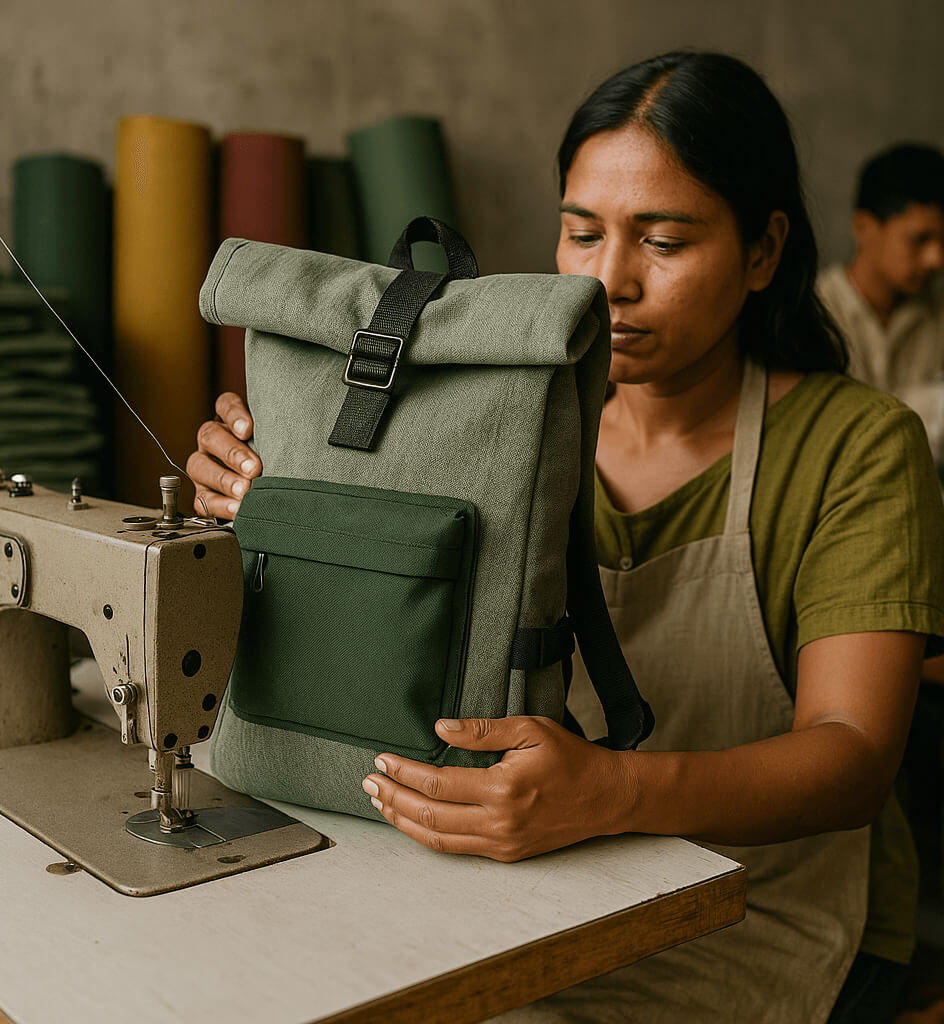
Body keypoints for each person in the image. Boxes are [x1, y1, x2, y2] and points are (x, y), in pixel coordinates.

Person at [187, 52, 944, 1023]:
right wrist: (266, 500)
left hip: (758, 911)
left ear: (762, 252)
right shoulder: (498, 411)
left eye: (662, 241)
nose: (608, 281)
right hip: (516, 881)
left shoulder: (853, 445)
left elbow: (851, 755)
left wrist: (612, 791)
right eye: (581, 232)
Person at [817, 144, 944, 396]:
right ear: (863, 227)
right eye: (919, 239)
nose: (936, 259)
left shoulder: (938, 313)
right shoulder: (812, 316)